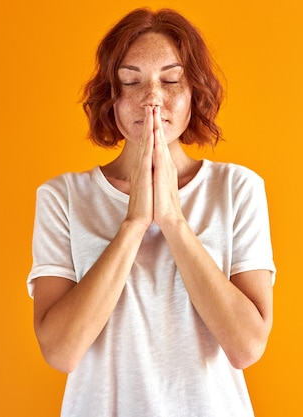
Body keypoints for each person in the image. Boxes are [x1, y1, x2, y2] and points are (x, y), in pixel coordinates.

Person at [27, 7, 276, 417]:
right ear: (111, 94)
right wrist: (134, 224)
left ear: (193, 91)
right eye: (131, 80)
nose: (152, 99)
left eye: (171, 80)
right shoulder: (63, 197)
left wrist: (174, 222)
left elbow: (246, 346)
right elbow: (61, 352)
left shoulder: (237, 189)